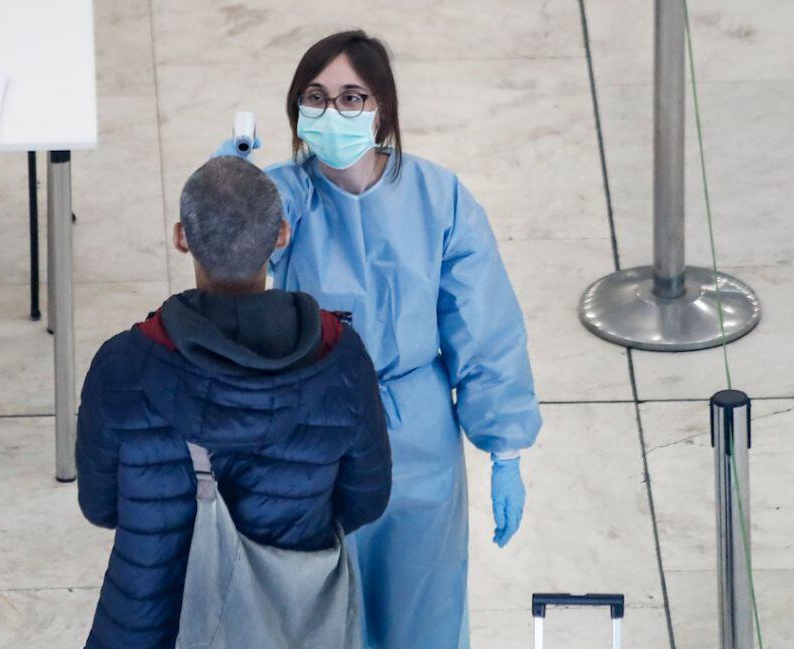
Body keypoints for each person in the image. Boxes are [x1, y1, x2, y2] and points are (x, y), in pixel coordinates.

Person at [214, 30, 543, 649]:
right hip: (313, 430)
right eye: (316, 97)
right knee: (320, 612)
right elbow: (221, 261)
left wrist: (505, 450)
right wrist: (227, 186)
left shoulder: (439, 199)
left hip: (415, 433)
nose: (332, 111)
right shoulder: (284, 197)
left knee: (424, 608)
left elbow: (483, 326)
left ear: (381, 109)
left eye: (351, 97)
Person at [75, 156, 392, 649]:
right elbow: (366, 499)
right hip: (285, 626)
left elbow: (99, 506)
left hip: (145, 622)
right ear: (282, 235)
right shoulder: (342, 360)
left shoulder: (122, 366)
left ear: (182, 237)